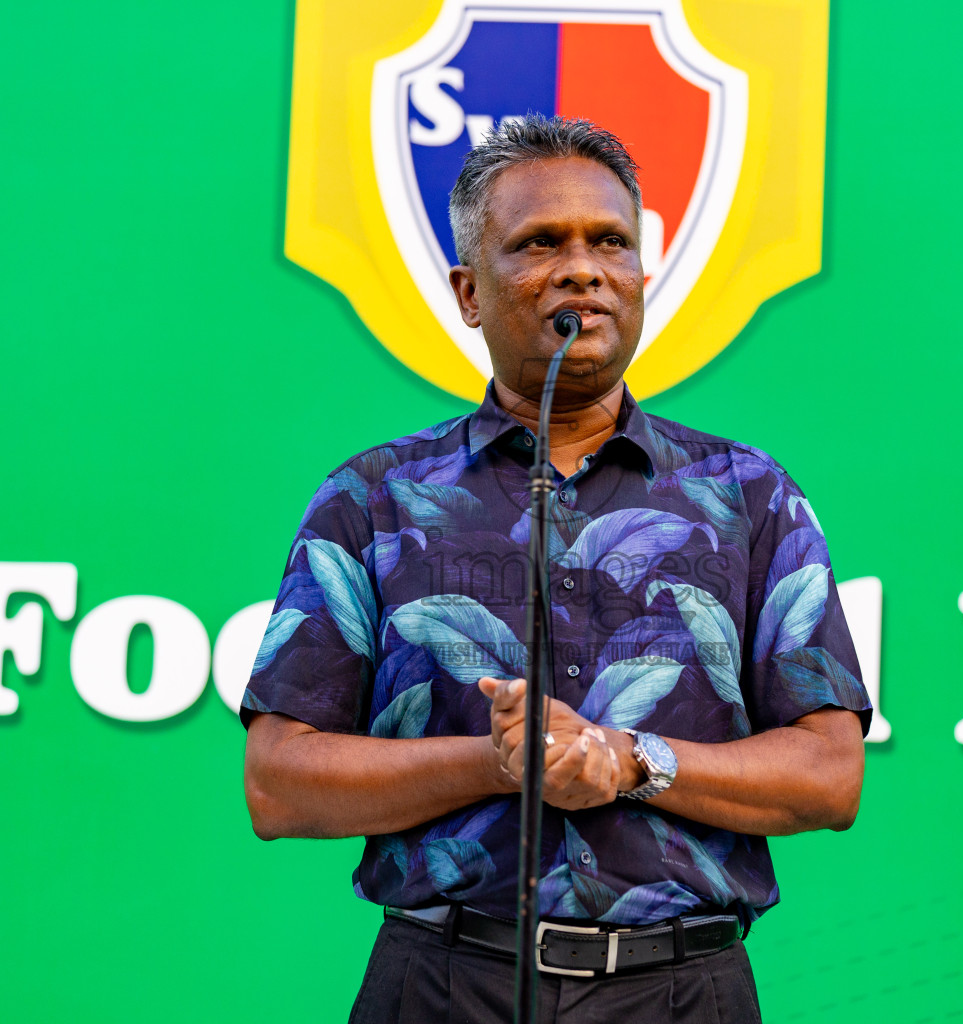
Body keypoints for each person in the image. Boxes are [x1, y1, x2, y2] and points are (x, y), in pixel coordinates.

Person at [240, 114, 871, 1023]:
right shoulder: (374, 497)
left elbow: (828, 773)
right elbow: (279, 782)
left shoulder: (752, 497)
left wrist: (626, 760)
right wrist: (503, 763)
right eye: (541, 244)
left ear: (641, 277)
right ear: (468, 291)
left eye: (611, 242)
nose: (584, 268)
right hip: (444, 984)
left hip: (682, 991)